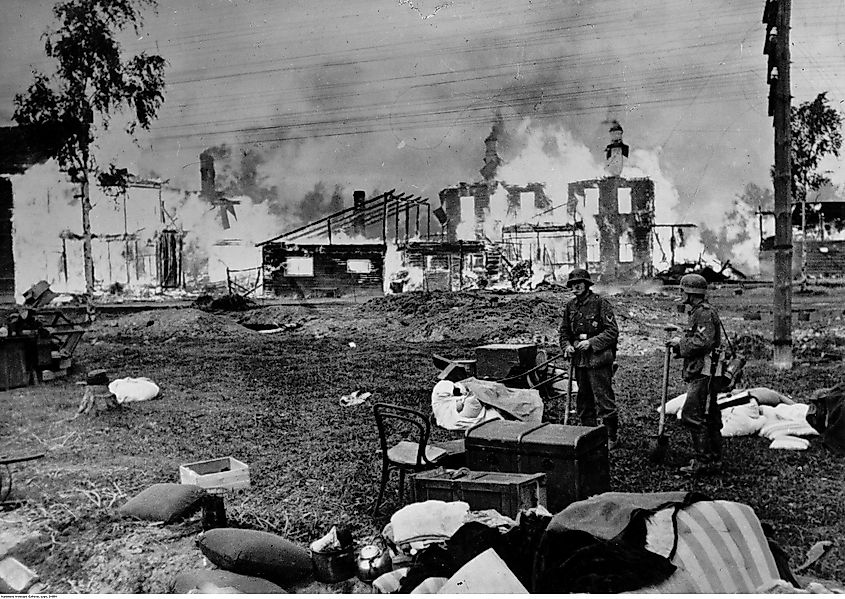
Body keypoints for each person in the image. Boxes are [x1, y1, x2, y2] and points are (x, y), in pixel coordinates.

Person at [666, 273, 723, 475]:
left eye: (682, 290)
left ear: (691, 292)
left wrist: (679, 344)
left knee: (692, 414)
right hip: (703, 369)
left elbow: (703, 342)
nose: (680, 294)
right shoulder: (698, 311)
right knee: (709, 414)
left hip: (704, 372)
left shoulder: (704, 313)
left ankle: (704, 461)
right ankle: (714, 457)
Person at [559, 268, 620, 448]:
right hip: (580, 360)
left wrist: (592, 342)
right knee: (583, 399)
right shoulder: (570, 306)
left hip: (598, 359)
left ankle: (611, 436)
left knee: (603, 398)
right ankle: (588, 433)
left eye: (579, 283)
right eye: (572, 284)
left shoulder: (601, 304)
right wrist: (567, 346)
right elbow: (564, 331)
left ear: (587, 285)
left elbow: (612, 331)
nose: (575, 287)